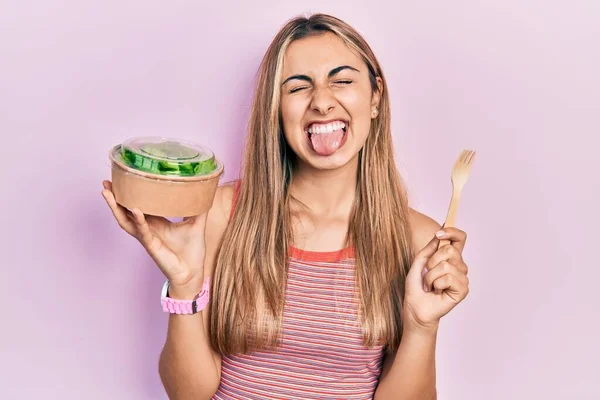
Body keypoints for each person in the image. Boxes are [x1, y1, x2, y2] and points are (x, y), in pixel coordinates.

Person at [101, 13, 470, 400]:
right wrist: (185, 283)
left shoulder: (420, 240)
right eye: (297, 88)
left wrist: (420, 325)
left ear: (375, 97)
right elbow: (187, 394)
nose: (323, 102)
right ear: (276, 109)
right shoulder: (222, 216)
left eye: (342, 81)